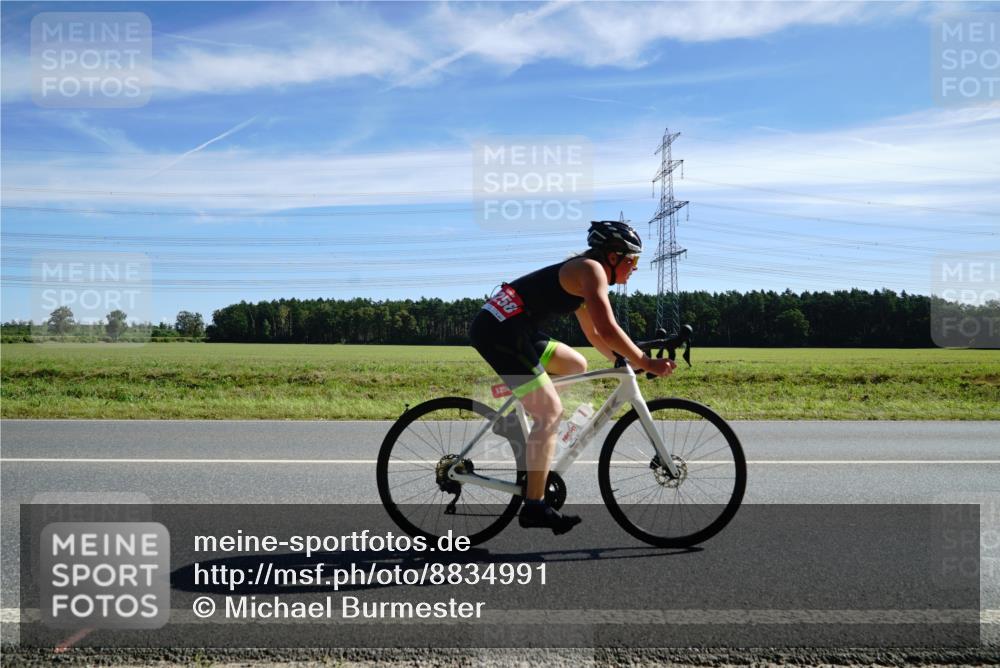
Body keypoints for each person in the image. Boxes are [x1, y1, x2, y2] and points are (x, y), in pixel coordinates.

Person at [469, 220, 676, 534]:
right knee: (550, 412)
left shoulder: (585, 273)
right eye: (631, 260)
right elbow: (608, 329)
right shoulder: (590, 270)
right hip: (500, 330)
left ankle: (524, 418)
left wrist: (624, 363)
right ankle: (535, 506)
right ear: (613, 257)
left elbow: (594, 334)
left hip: (518, 329)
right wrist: (645, 360)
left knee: (576, 364)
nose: (634, 267)